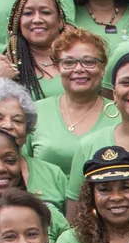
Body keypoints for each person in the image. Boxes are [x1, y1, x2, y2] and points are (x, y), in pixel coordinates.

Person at [29, 28, 109, 180]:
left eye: (89, 62)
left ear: (102, 68)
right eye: (68, 62)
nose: (79, 69)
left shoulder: (120, 113)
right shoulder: (34, 112)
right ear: (57, 67)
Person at [0, 0, 69, 100]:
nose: (37, 19)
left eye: (45, 12)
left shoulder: (80, 59)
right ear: (18, 22)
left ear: (60, 21)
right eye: (28, 13)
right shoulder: (6, 65)